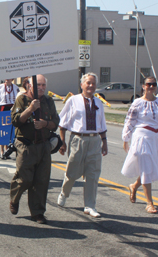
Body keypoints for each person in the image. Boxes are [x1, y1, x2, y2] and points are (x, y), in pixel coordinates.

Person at [57, 72, 108, 218]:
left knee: (92, 174)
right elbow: (63, 123)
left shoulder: (98, 102)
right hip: (78, 140)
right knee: (72, 172)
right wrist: (62, 142)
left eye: (93, 83)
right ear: (82, 85)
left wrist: (104, 142)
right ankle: (64, 193)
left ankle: (90, 205)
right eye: (88, 83)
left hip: (94, 141)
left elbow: (102, 124)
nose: (91, 86)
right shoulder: (73, 100)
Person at [9, 75, 59, 224]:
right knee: (24, 179)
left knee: (41, 181)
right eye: (38, 85)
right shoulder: (22, 100)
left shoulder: (49, 101)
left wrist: (45, 124)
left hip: (43, 145)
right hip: (26, 145)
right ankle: (14, 198)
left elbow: (56, 122)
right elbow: (16, 121)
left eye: (43, 85)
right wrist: (30, 109)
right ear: (29, 86)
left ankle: (37, 213)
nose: (41, 88)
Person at [121, 77, 158, 214]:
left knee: (149, 168)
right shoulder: (137, 103)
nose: (151, 87)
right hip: (142, 137)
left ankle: (134, 186)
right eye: (149, 84)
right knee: (147, 167)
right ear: (143, 86)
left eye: (154, 84)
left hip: (157, 138)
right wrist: (126, 139)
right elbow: (129, 121)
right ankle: (149, 203)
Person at [0, 79, 19, 159]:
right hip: (2, 109)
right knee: (2, 130)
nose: (7, 80)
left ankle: (9, 149)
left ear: (12, 79)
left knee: (12, 130)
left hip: (12, 109)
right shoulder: (0, 87)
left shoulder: (16, 88)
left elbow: (18, 99)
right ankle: (2, 150)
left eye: (9, 78)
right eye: (6, 78)